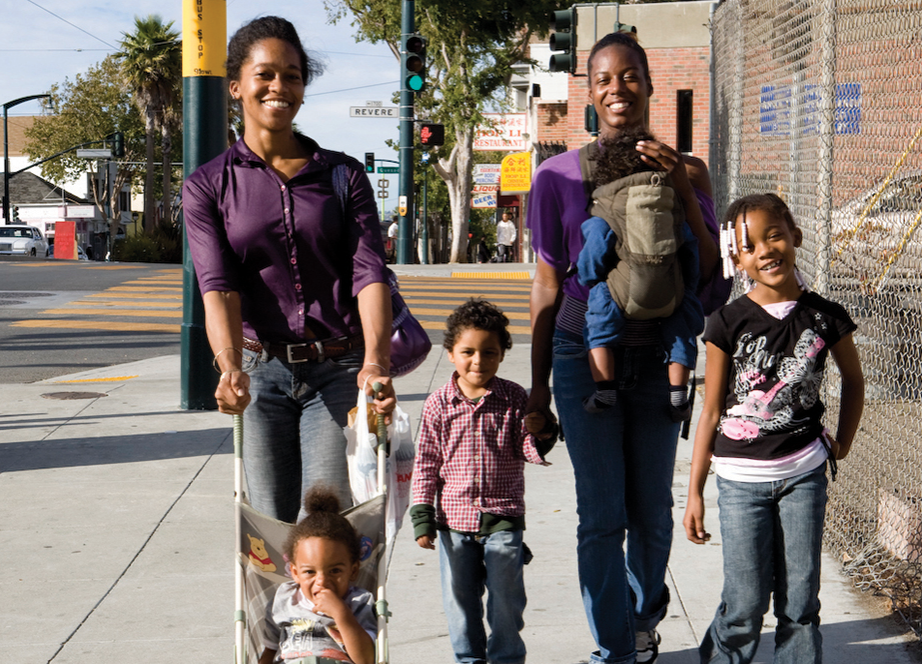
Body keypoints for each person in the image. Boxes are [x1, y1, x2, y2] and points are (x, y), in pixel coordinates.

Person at [525, 31, 719, 664]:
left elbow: (714, 275)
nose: (617, 89)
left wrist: (685, 193)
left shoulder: (688, 170)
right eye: (603, 79)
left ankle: (641, 620)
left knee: (653, 515)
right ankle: (615, 648)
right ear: (588, 91)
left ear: (650, 84)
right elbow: (549, 284)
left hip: (662, 358)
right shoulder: (556, 177)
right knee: (601, 516)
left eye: (629, 75)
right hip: (585, 360)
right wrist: (537, 393)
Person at [183, 15, 396, 523]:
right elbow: (218, 285)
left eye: (293, 75)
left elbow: (369, 272)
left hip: (338, 368)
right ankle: (274, 609)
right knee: (272, 529)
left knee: (329, 522)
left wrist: (375, 363)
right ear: (236, 86)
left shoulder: (343, 175)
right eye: (265, 74)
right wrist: (229, 364)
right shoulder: (208, 186)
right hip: (261, 372)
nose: (280, 87)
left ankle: (331, 609)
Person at [683, 193, 864, 663]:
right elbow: (711, 411)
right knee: (744, 604)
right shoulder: (726, 321)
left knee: (800, 604)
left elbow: (854, 381)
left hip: (803, 475)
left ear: (795, 236)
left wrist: (842, 443)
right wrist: (695, 493)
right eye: (750, 245)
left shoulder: (825, 317)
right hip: (740, 483)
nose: (765, 250)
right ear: (736, 258)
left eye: (774, 235)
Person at [410, 299, 556, 664]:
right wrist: (422, 515)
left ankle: (506, 657)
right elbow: (426, 462)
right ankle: (469, 658)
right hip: (453, 521)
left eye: (489, 352)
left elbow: (525, 448)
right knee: (459, 600)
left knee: (506, 598)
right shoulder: (438, 405)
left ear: (502, 355)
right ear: (450, 354)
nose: (478, 361)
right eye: (468, 352)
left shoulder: (512, 397)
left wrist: (541, 431)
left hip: (503, 516)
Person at [577, 125, 704, 419]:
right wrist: (687, 287)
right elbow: (690, 246)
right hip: (671, 294)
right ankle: (678, 396)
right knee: (680, 329)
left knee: (599, 323)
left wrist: (591, 278)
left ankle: (605, 389)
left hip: (623, 295)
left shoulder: (608, 204)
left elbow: (595, 248)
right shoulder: (671, 202)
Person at [259, 485, 376, 664]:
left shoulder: (359, 602)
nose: (321, 581)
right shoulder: (283, 599)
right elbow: (270, 649)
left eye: (335, 571)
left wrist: (341, 613)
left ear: (353, 570)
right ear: (295, 572)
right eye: (309, 572)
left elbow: (366, 660)